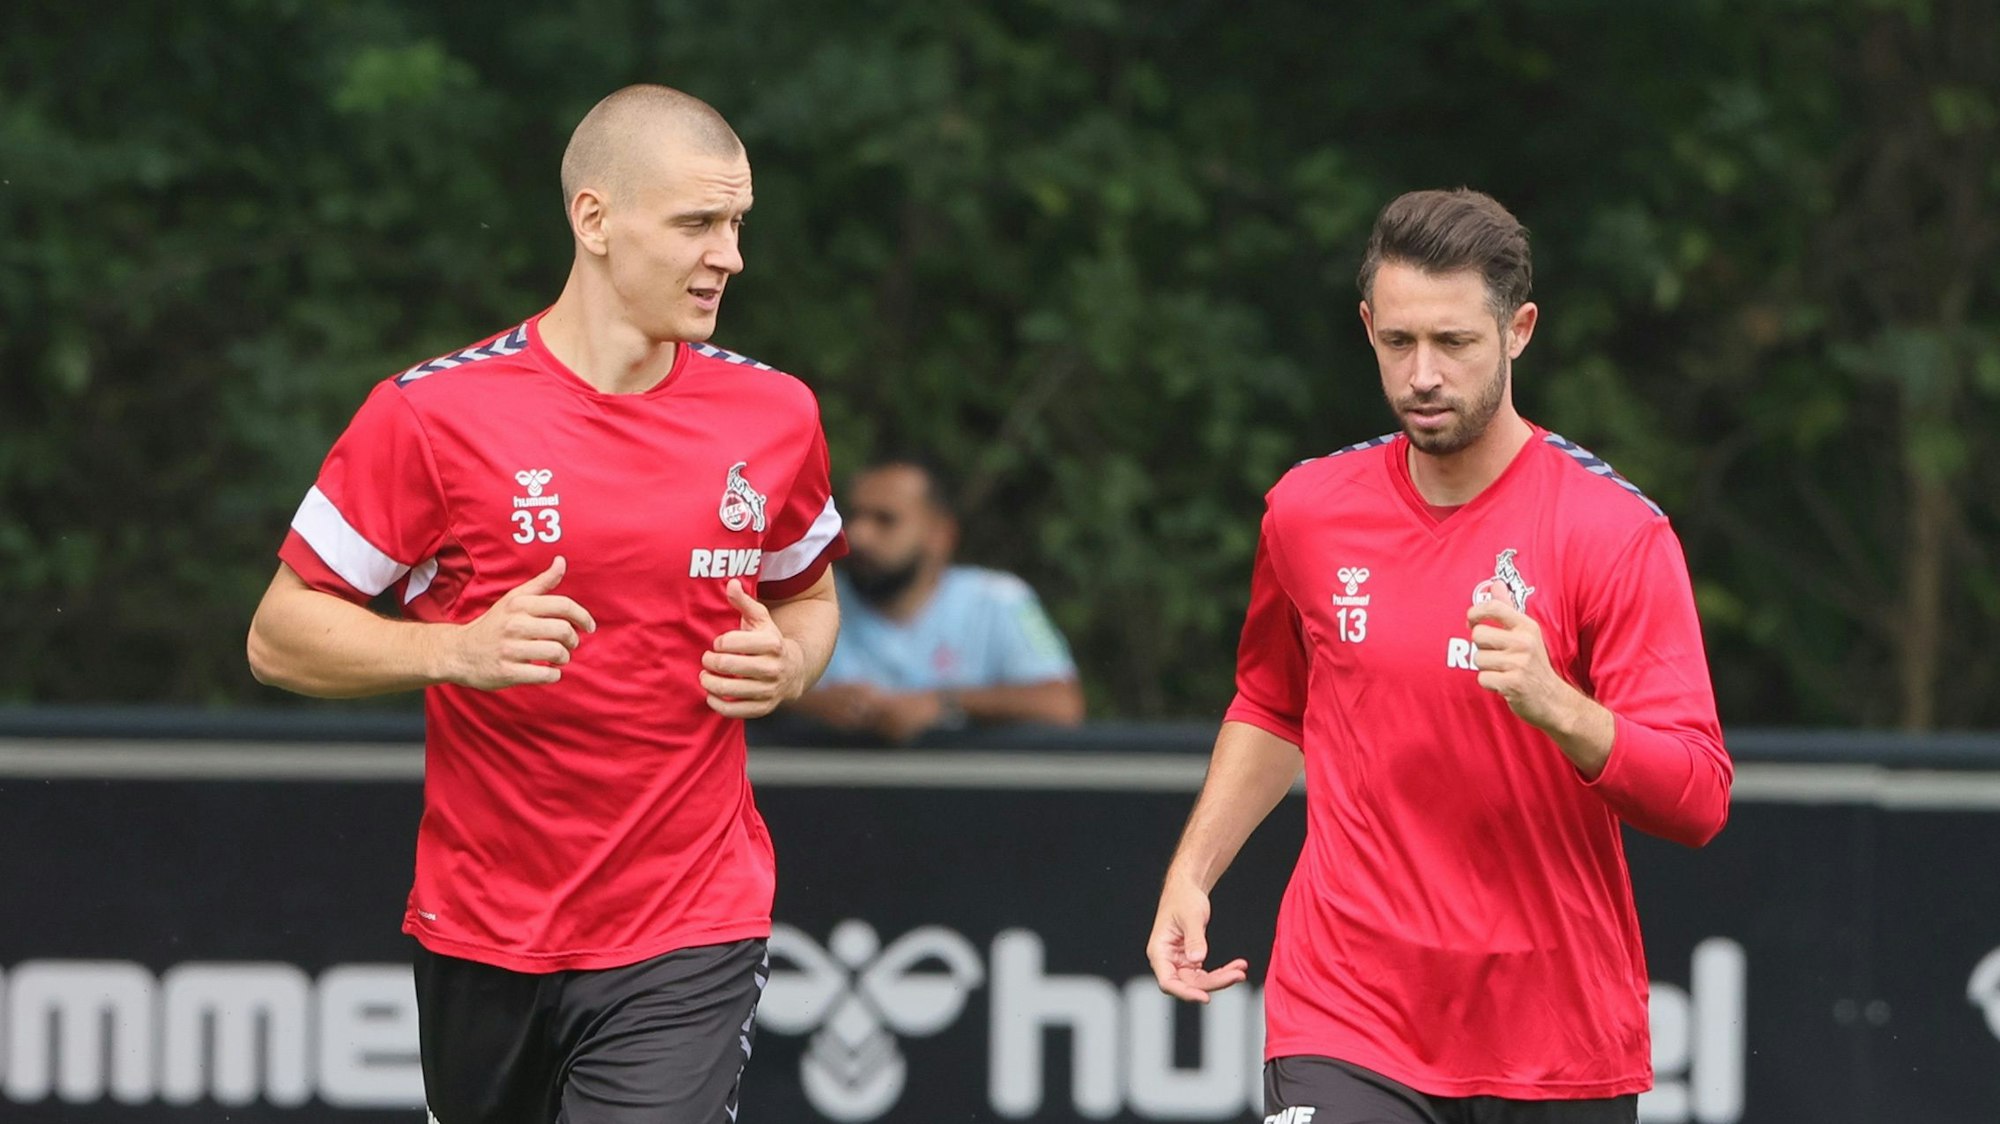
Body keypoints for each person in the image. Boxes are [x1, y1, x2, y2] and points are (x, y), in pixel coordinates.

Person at [246, 85, 846, 1124]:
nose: (729, 255)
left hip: (690, 920)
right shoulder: (432, 413)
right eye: (698, 223)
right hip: (481, 926)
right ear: (594, 219)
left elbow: (811, 595)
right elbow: (278, 635)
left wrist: (791, 662)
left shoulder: (774, 412)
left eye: (738, 224)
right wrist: (455, 650)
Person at [1145, 189, 1732, 1124]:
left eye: (1454, 343)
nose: (1422, 374)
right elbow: (1270, 707)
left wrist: (1560, 705)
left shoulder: (1614, 533)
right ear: (1369, 327)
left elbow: (1699, 797)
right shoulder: (1307, 511)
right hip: (1347, 1010)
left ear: (1520, 331)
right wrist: (1192, 873)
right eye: (1398, 342)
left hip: (1555, 1034)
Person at [785, 457, 1084, 742]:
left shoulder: (999, 599)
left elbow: (1061, 704)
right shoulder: (810, 596)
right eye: (854, 516)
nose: (858, 535)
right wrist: (807, 702)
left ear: (941, 535)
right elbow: (746, 686)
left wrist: (943, 704)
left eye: (885, 520)